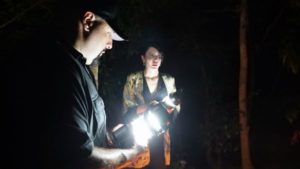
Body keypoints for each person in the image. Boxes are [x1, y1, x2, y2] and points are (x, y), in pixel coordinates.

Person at [2, 0, 145, 169]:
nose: (110, 44)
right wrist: (129, 154)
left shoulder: (79, 67)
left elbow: (81, 129)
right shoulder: (54, 67)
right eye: (109, 33)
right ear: (88, 21)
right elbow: (80, 158)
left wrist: (110, 136)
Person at [122, 42, 181, 169]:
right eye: (152, 55)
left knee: (159, 164)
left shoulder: (169, 80)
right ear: (143, 58)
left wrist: (168, 110)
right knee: (139, 164)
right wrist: (147, 107)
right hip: (140, 134)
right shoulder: (133, 79)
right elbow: (127, 110)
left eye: (159, 56)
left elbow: (176, 109)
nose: (156, 59)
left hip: (161, 136)